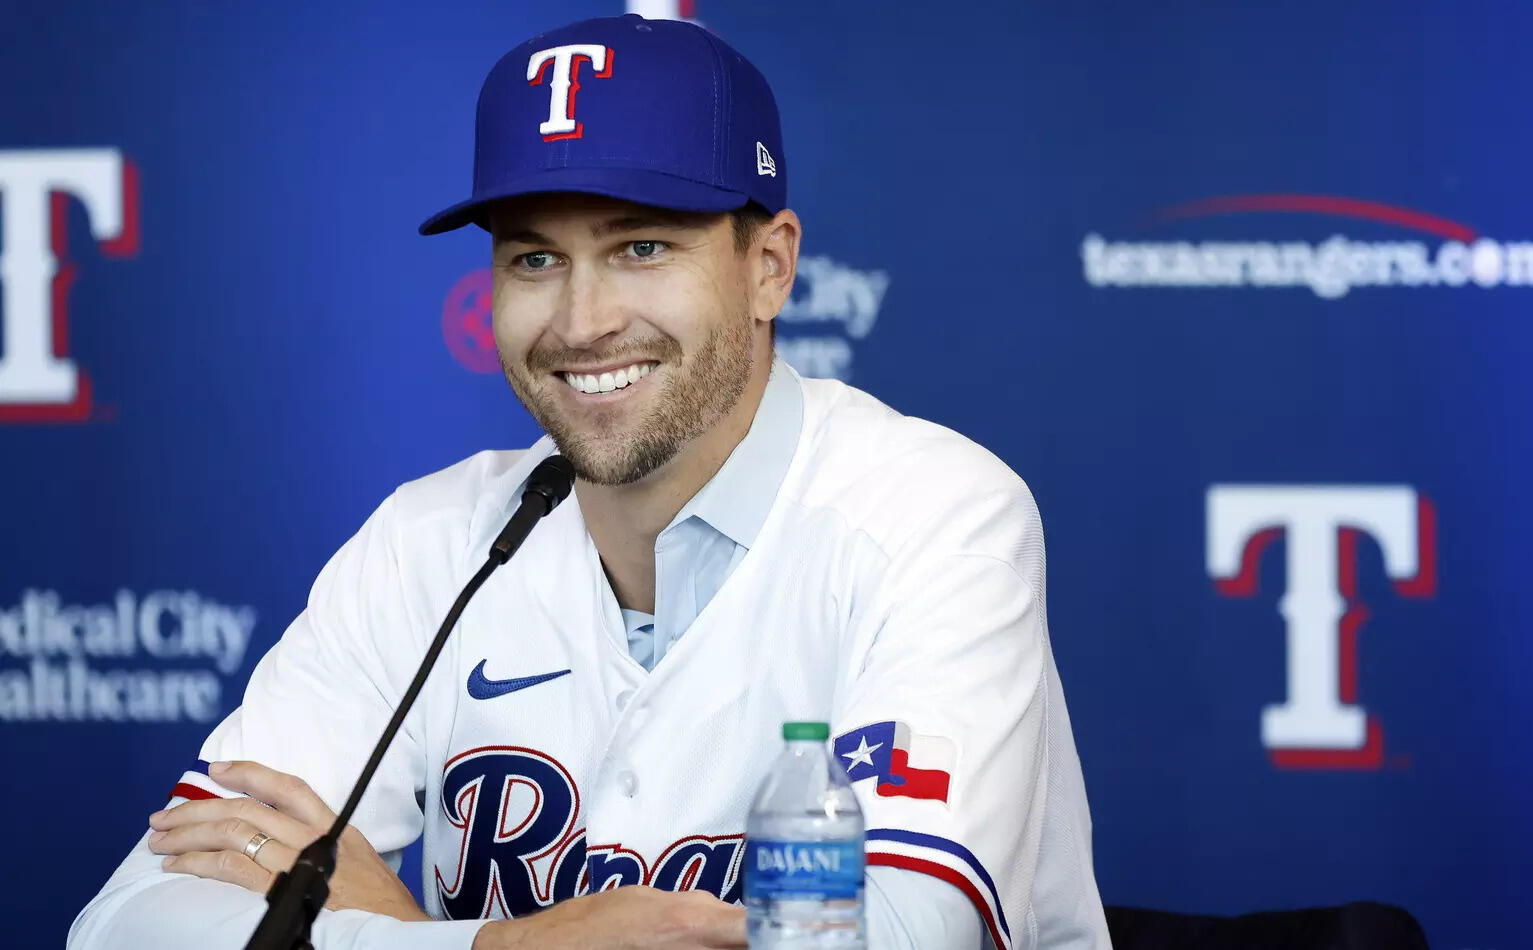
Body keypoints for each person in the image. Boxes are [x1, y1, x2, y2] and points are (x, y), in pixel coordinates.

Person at [68, 13, 1110, 950]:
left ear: (770, 265)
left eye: (641, 245)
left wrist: (380, 925)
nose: (579, 320)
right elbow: (127, 922)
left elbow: (897, 936)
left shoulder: (933, 516)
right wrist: (491, 948)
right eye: (533, 260)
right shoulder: (427, 540)